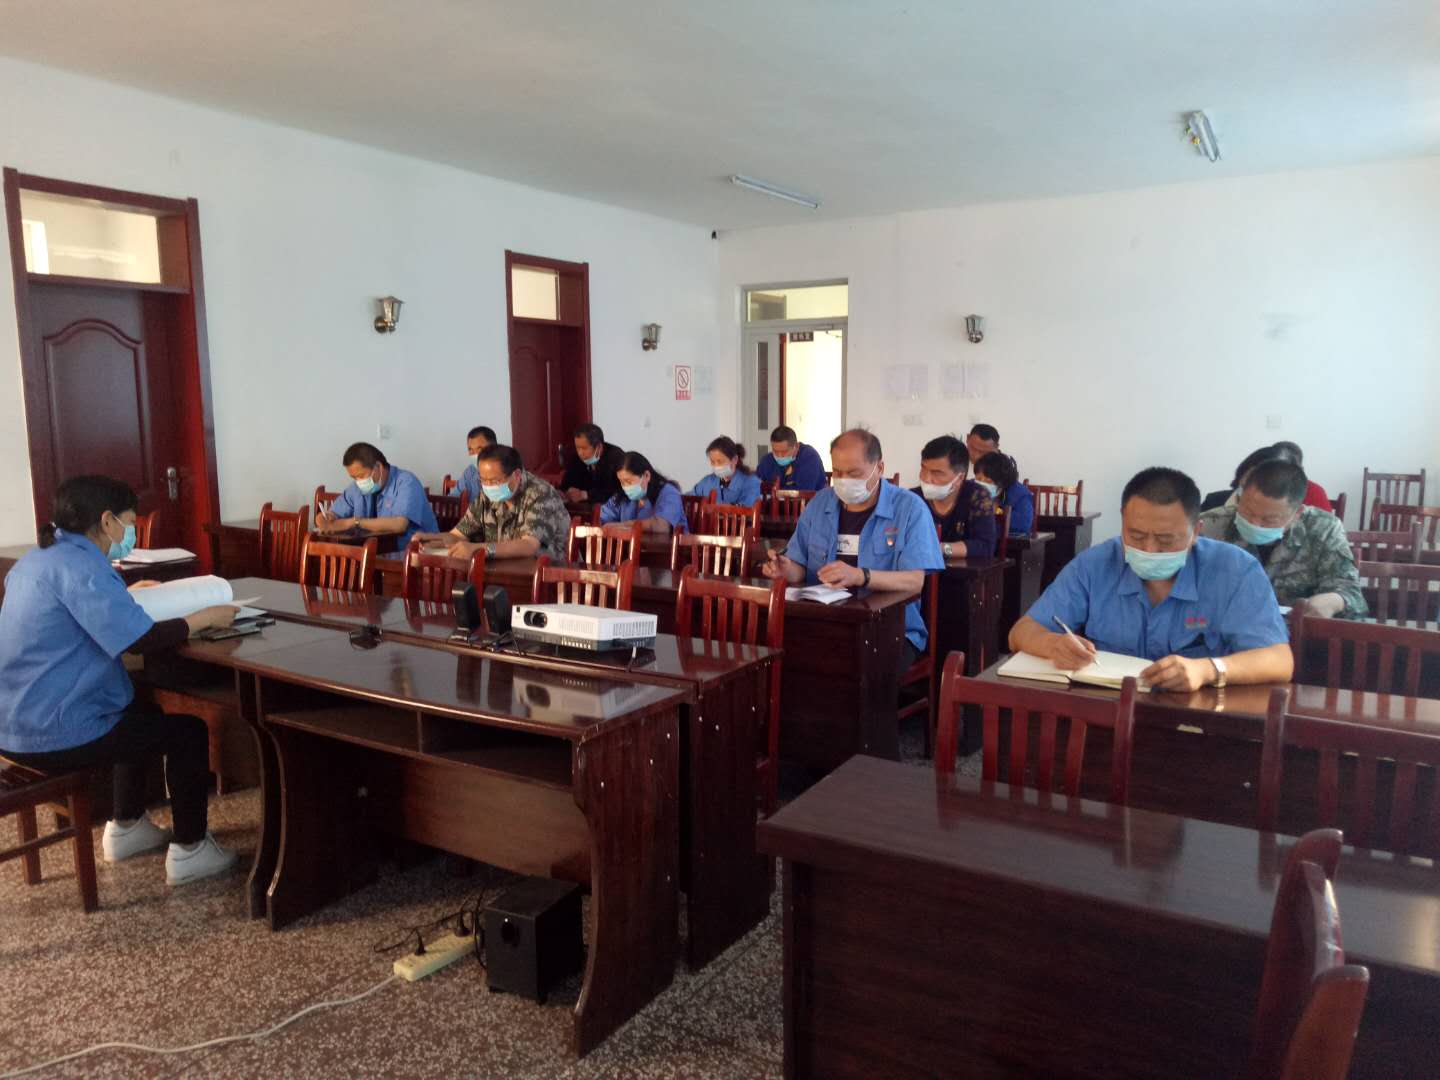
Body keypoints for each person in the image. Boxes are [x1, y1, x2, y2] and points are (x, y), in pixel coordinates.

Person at [0, 476, 239, 886]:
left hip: (13, 723)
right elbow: (139, 640)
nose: (131, 531)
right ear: (107, 520)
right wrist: (202, 619)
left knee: (140, 710)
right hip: (54, 732)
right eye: (129, 522)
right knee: (188, 732)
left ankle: (126, 826)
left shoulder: (39, 559)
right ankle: (191, 851)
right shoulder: (83, 569)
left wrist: (124, 593)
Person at [1010, 467, 1293, 691]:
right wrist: (1054, 644)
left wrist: (1208, 670)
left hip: (1198, 717)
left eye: (1165, 539)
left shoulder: (1235, 571)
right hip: (1108, 710)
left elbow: (1279, 660)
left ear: (1196, 532)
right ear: (1123, 521)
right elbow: (1021, 632)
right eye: (1136, 535)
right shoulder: (1095, 564)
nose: (1149, 549)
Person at [761, 429, 943, 669]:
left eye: (854, 473)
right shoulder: (820, 504)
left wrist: (861, 576)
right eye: (837, 472)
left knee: (849, 669)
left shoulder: (909, 509)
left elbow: (914, 582)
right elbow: (801, 568)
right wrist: (785, 568)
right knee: (777, 659)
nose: (844, 480)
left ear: (879, 468)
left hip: (889, 629)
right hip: (824, 621)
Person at [1198, 459, 1365, 618]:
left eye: (1269, 519)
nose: (1255, 523)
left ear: (1297, 513)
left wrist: (1334, 601)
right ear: (1238, 499)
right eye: (1247, 512)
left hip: (1295, 630)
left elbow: (1350, 592)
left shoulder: (1323, 528)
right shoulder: (1208, 525)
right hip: (1221, 628)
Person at [422, 444, 571, 561]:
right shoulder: (486, 494)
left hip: (550, 574)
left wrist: (479, 549)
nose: (488, 486)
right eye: (483, 480)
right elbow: (459, 534)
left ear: (516, 475)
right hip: (503, 568)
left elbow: (529, 545)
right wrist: (432, 540)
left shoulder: (540, 494)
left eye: (494, 481)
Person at [315, 442, 437, 558]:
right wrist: (324, 519)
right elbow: (332, 514)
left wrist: (356, 522)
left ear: (378, 466)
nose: (358, 481)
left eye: (361, 476)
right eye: (354, 477)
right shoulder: (357, 488)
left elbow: (400, 524)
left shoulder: (406, 482)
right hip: (376, 556)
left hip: (415, 557)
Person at [913, 434, 995, 559]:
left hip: (963, 570)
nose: (926, 478)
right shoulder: (913, 498)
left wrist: (939, 549)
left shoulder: (977, 496)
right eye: (923, 469)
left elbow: (985, 547)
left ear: (959, 478)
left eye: (937, 473)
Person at [599, 452, 689, 534]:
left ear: (646, 476)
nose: (625, 487)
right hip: (634, 546)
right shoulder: (622, 496)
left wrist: (624, 525)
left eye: (629, 482)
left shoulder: (669, 492)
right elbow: (602, 517)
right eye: (621, 482)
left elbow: (662, 526)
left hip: (670, 546)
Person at [1199, 445, 1295, 513]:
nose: (1255, 491)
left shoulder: (1296, 519)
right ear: (1242, 473)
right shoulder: (1213, 501)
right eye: (1251, 479)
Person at [561, 423, 626, 505]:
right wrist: (565, 492)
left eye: (584, 448)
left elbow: (618, 491)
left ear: (599, 447)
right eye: (577, 448)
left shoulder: (616, 458)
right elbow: (566, 483)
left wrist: (586, 495)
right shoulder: (577, 458)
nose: (580, 453)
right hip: (583, 508)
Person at [691, 436, 763, 508]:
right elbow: (689, 499)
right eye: (712, 462)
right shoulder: (708, 481)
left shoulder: (751, 481)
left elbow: (747, 507)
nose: (716, 466)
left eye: (720, 461)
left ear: (735, 460)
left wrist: (712, 508)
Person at [974, 451, 1034, 536]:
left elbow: (1023, 524)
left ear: (1001, 483)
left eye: (988, 481)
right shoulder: (970, 488)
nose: (982, 484)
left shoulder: (1020, 495)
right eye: (978, 479)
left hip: (1010, 542)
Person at [754, 425, 826, 492]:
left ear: (796, 446)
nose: (779, 456)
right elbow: (753, 484)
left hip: (812, 500)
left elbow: (804, 490)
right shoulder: (767, 460)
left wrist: (775, 491)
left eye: (784, 452)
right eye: (775, 451)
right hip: (775, 501)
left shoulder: (809, 456)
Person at [1271, 441, 1334, 512]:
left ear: (1301, 470)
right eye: (1277, 467)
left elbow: (1324, 519)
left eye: (1290, 468)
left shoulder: (1314, 491)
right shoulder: (1261, 488)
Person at [455, 425, 496, 503]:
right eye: (470, 449)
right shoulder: (470, 471)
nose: (474, 454)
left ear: (494, 448)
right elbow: (455, 498)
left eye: (479, 449)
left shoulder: (505, 470)